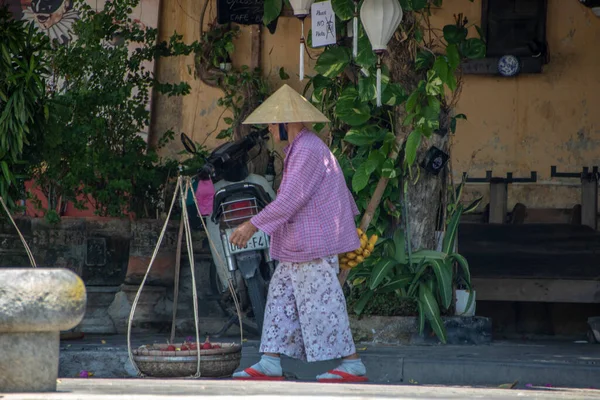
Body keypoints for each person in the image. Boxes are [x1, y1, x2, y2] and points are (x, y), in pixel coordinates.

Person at [229, 85, 367, 383]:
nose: (268, 127)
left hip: (312, 244)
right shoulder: (301, 147)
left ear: (285, 121)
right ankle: (270, 361)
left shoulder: (306, 149)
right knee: (280, 300)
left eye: (271, 121)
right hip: (299, 244)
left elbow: (290, 200)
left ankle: (352, 364)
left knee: (323, 303)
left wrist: (251, 225)